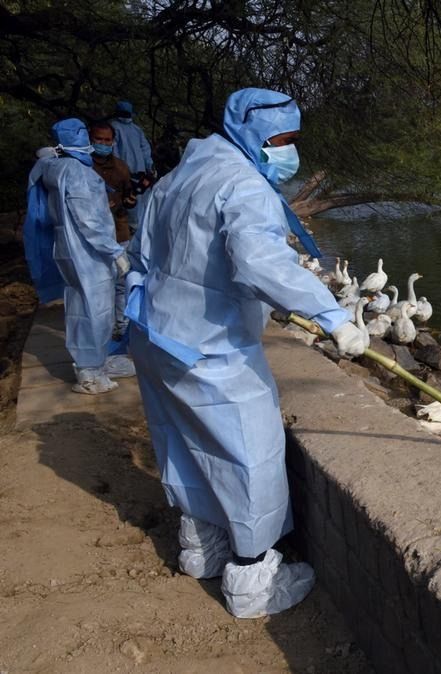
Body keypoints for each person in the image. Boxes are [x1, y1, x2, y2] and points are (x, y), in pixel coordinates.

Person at [124, 87, 368, 619]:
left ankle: (202, 550)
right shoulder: (242, 185)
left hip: (155, 333)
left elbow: (143, 251)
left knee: (185, 445)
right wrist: (332, 317)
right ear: (254, 134)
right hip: (208, 348)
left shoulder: (178, 177)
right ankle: (254, 582)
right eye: (283, 140)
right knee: (250, 452)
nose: (289, 151)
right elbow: (260, 262)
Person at [23, 119, 134, 394]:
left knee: (84, 308)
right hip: (88, 251)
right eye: (87, 135)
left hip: (71, 248)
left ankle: (98, 361)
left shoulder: (55, 165)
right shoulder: (75, 171)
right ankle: (89, 372)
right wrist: (114, 250)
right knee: (94, 311)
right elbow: (89, 220)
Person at [89, 120, 137, 338]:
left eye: (107, 140)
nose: (103, 143)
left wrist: (129, 202)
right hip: (93, 235)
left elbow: (129, 196)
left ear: (113, 142)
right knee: (98, 285)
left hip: (119, 231)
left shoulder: (121, 167)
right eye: (99, 139)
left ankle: (122, 326)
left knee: (121, 283)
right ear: (91, 139)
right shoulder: (83, 167)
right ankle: (101, 330)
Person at [110, 100, 154, 225]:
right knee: (133, 203)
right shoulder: (120, 128)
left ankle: (134, 228)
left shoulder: (132, 129)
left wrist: (149, 165)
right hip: (131, 172)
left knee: (135, 204)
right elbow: (115, 151)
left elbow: (144, 149)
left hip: (132, 173)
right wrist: (148, 165)